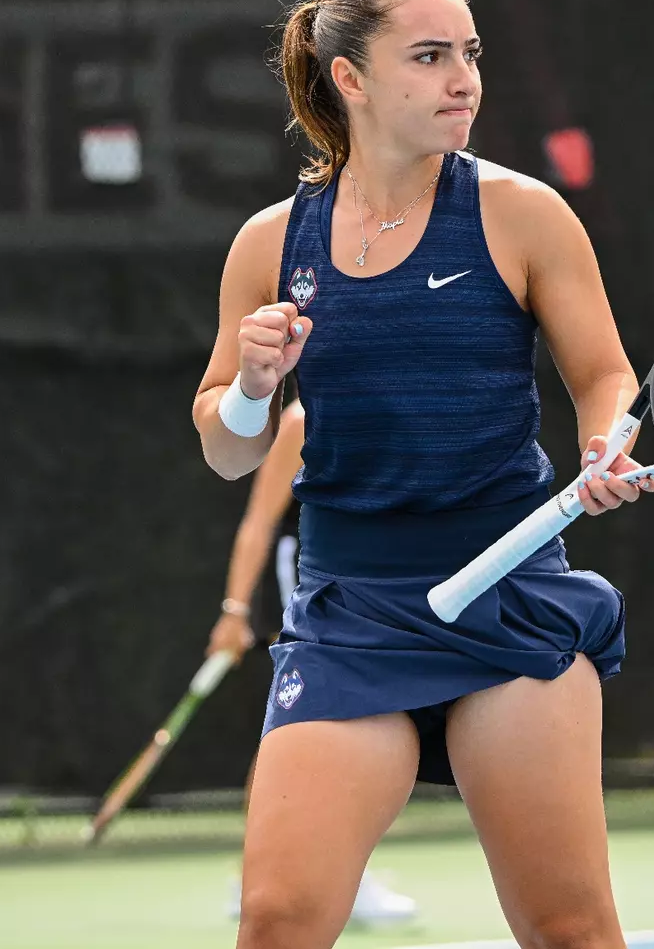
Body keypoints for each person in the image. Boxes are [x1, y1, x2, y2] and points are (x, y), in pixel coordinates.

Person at [191, 0, 654, 949]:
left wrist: (603, 444)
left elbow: (607, 377)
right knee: (276, 920)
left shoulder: (523, 214)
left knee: (570, 927)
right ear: (350, 78)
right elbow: (228, 453)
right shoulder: (270, 243)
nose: (464, 80)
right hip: (352, 615)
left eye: (471, 55)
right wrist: (251, 387)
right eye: (431, 56)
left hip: (510, 594)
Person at [207, 396, 417, 927]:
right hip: (312, 580)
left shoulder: (397, 408)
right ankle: (272, 874)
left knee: (342, 723)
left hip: (373, 579)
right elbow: (258, 522)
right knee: (317, 721)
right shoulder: (303, 421)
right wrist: (234, 612)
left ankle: (307, 871)